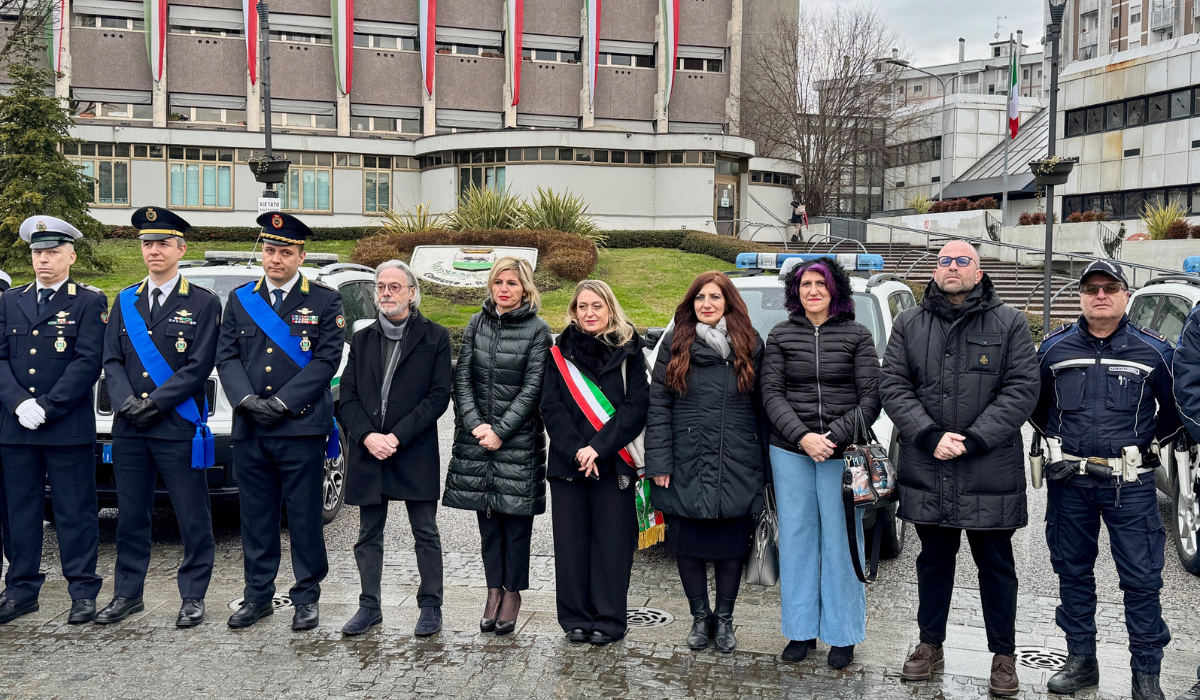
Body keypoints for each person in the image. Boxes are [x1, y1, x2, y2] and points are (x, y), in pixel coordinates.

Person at [880, 240, 1039, 696]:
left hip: (988, 468)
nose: (952, 268)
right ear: (935, 270)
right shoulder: (909, 322)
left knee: (996, 565)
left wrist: (974, 439)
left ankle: (1004, 655)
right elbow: (893, 383)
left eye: (962, 261)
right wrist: (929, 435)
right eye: (945, 261)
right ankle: (930, 644)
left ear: (978, 270)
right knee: (932, 562)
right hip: (930, 466)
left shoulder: (1008, 322)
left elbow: (1022, 388)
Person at [1033, 260, 1179, 700]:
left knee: (1141, 578)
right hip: (1070, 481)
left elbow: (1176, 411)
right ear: (1080, 296)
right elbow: (1032, 405)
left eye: (1109, 287)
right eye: (1091, 288)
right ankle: (1081, 662)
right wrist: (1055, 444)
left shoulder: (1154, 351)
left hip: (1129, 485)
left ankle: (1146, 675)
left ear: (1125, 294)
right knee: (1072, 573)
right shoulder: (1053, 349)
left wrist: (1145, 446)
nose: (1100, 295)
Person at [216, 212, 344, 631]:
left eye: (285, 252)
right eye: (269, 250)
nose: (275, 259)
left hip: (300, 426)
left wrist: (286, 403)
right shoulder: (240, 298)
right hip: (252, 424)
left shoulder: (325, 299)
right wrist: (246, 400)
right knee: (256, 515)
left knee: (304, 516)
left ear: (300, 255)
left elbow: (327, 359)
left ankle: (307, 597)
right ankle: (258, 596)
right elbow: (227, 356)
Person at [97, 207, 220, 627]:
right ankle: (127, 595)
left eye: (162, 244)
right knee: (131, 515)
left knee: (192, 514)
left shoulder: (203, 302)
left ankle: (193, 596)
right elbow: (111, 360)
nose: (153, 251)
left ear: (181, 249)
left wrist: (156, 403)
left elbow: (198, 366)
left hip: (176, 425)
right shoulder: (126, 299)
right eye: (147, 244)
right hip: (130, 428)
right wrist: (127, 402)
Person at [759, 258, 880, 669]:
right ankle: (800, 631)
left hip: (840, 454)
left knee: (843, 540)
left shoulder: (858, 335)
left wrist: (832, 438)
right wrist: (803, 437)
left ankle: (842, 634)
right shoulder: (780, 334)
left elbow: (871, 399)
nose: (813, 290)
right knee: (795, 541)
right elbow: (771, 394)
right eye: (805, 284)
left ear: (835, 290)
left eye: (820, 283)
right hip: (790, 450)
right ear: (796, 292)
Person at [645, 271, 766, 654]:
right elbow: (659, 406)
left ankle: (725, 620)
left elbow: (765, 407)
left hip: (737, 460)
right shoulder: (676, 343)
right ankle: (700, 617)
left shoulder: (750, 343)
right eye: (700, 297)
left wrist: (765, 465)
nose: (707, 304)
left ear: (728, 302)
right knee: (688, 545)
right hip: (686, 461)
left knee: (731, 546)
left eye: (715, 297)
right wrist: (659, 462)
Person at [0, 216, 107, 625]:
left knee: (75, 510)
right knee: (19, 512)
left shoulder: (88, 300)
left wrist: (48, 404)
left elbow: (87, 361)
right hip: (15, 427)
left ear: (70, 255)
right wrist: (16, 403)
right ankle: (22, 589)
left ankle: (82, 590)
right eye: (38, 253)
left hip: (65, 425)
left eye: (52, 253)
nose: (43, 260)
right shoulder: (10, 300)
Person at [339, 260, 451, 637]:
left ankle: (430, 607)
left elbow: (438, 398)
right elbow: (348, 397)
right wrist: (368, 436)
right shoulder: (364, 338)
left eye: (394, 287)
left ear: (412, 293)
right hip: (370, 450)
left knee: (425, 531)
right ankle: (369, 606)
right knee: (368, 533)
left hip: (413, 448)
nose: (386, 293)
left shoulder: (435, 337)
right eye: (381, 287)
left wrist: (397, 437)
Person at [444, 257, 551, 635]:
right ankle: (492, 591)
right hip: (478, 441)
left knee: (515, 525)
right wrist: (476, 426)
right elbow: (462, 380)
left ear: (525, 289)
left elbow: (533, 389)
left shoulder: (539, 330)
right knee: (488, 521)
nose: (504, 289)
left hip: (517, 443)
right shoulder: (476, 323)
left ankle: (513, 593)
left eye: (513, 283)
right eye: (499, 282)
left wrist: (501, 431)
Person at [541, 280, 648, 646]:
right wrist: (577, 450)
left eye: (597, 306)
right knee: (571, 546)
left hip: (614, 461)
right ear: (573, 311)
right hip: (568, 465)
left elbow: (636, 408)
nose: (589, 313)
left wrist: (598, 448)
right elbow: (551, 407)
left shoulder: (631, 350)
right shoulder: (557, 352)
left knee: (612, 545)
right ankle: (574, 618)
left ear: (609, 309)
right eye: (583, 306)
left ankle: (609, 619)